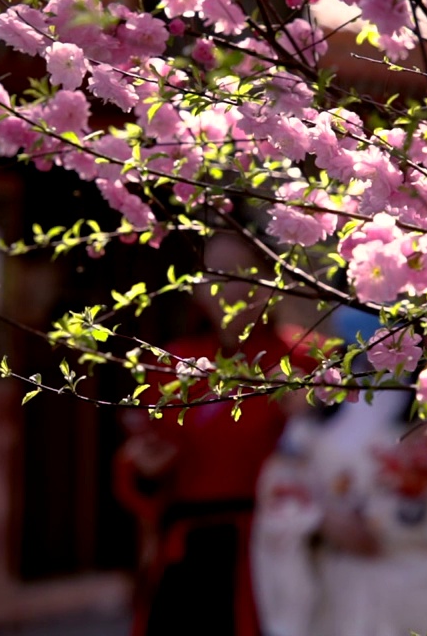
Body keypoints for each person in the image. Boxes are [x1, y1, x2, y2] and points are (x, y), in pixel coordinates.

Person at [251, 313, 427, 636]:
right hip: (336, 590)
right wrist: (319, 518)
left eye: (388, 304)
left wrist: (403, 520)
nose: (370, 315)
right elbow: (281, 482)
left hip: (420, 588)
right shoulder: (319, 408)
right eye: (357, 303)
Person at [114, 233, 319, 636]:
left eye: (241, 272)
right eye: (213, 274)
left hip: (269, 552)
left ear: (270, 281)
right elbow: (136, 470)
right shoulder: (170, 364)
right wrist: (146, 468)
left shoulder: (306, 359)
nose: (227, 287)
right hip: (186, 555)